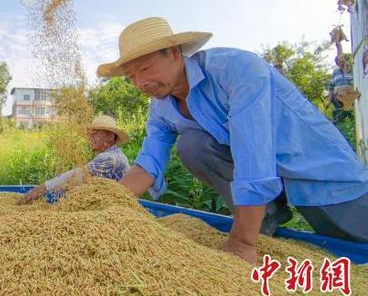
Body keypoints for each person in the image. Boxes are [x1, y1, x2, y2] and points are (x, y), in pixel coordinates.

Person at [97, 17, 368, 264]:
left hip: (318, 171)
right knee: (192, 145)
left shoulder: (236, 70)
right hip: (259, 187)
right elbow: (147, 165)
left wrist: (241, 243)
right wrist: (104, 203)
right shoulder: (161, 109)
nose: (140, 83)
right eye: (132, 76)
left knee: (355, 244)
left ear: (175, 53)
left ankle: (251, 225)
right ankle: (264, 215)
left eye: (145, 68)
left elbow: (253, 152)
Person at [20, 115, 130, 202]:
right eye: (90, 134)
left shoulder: (109, 158)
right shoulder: (113, 154)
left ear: (110, 137)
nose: (90, 138)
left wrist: (38, 190)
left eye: (95, 134)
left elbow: (74, 177)